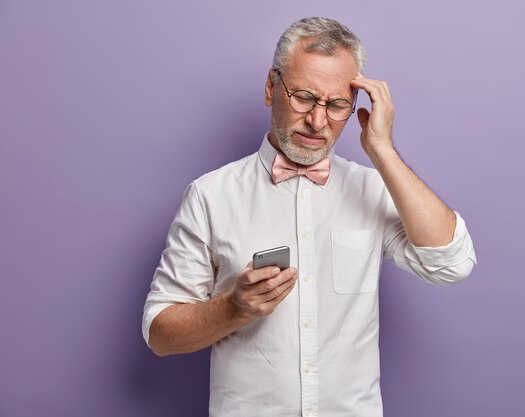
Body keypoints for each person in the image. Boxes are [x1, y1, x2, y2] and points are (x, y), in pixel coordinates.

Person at [142, 16, 477, 417]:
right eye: (303, 97)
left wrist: (383, 151)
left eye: (337, 105)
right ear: (271, 88)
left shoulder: (372, 189)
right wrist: (236, 307)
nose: (318, 122)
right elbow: (160, 334)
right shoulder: (210, 196)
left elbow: (452, 263)